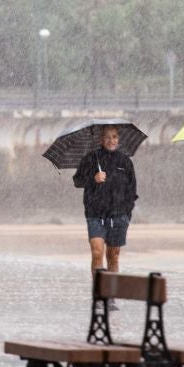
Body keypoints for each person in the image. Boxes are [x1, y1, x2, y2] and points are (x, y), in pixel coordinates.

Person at [73, 126, 138, 301]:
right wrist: (93, 178)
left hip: (119, 216)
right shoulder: (90, 158)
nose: (111, 140)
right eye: (107, 137)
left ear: (119, 139)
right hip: (95, 214)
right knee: (97, 253)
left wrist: (126, 214)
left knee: (113, 256)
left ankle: (111, 295)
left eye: (114, 137)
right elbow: (77, 181)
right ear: (101, 139)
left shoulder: (125, 161)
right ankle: (99, 294)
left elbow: (132, 191)